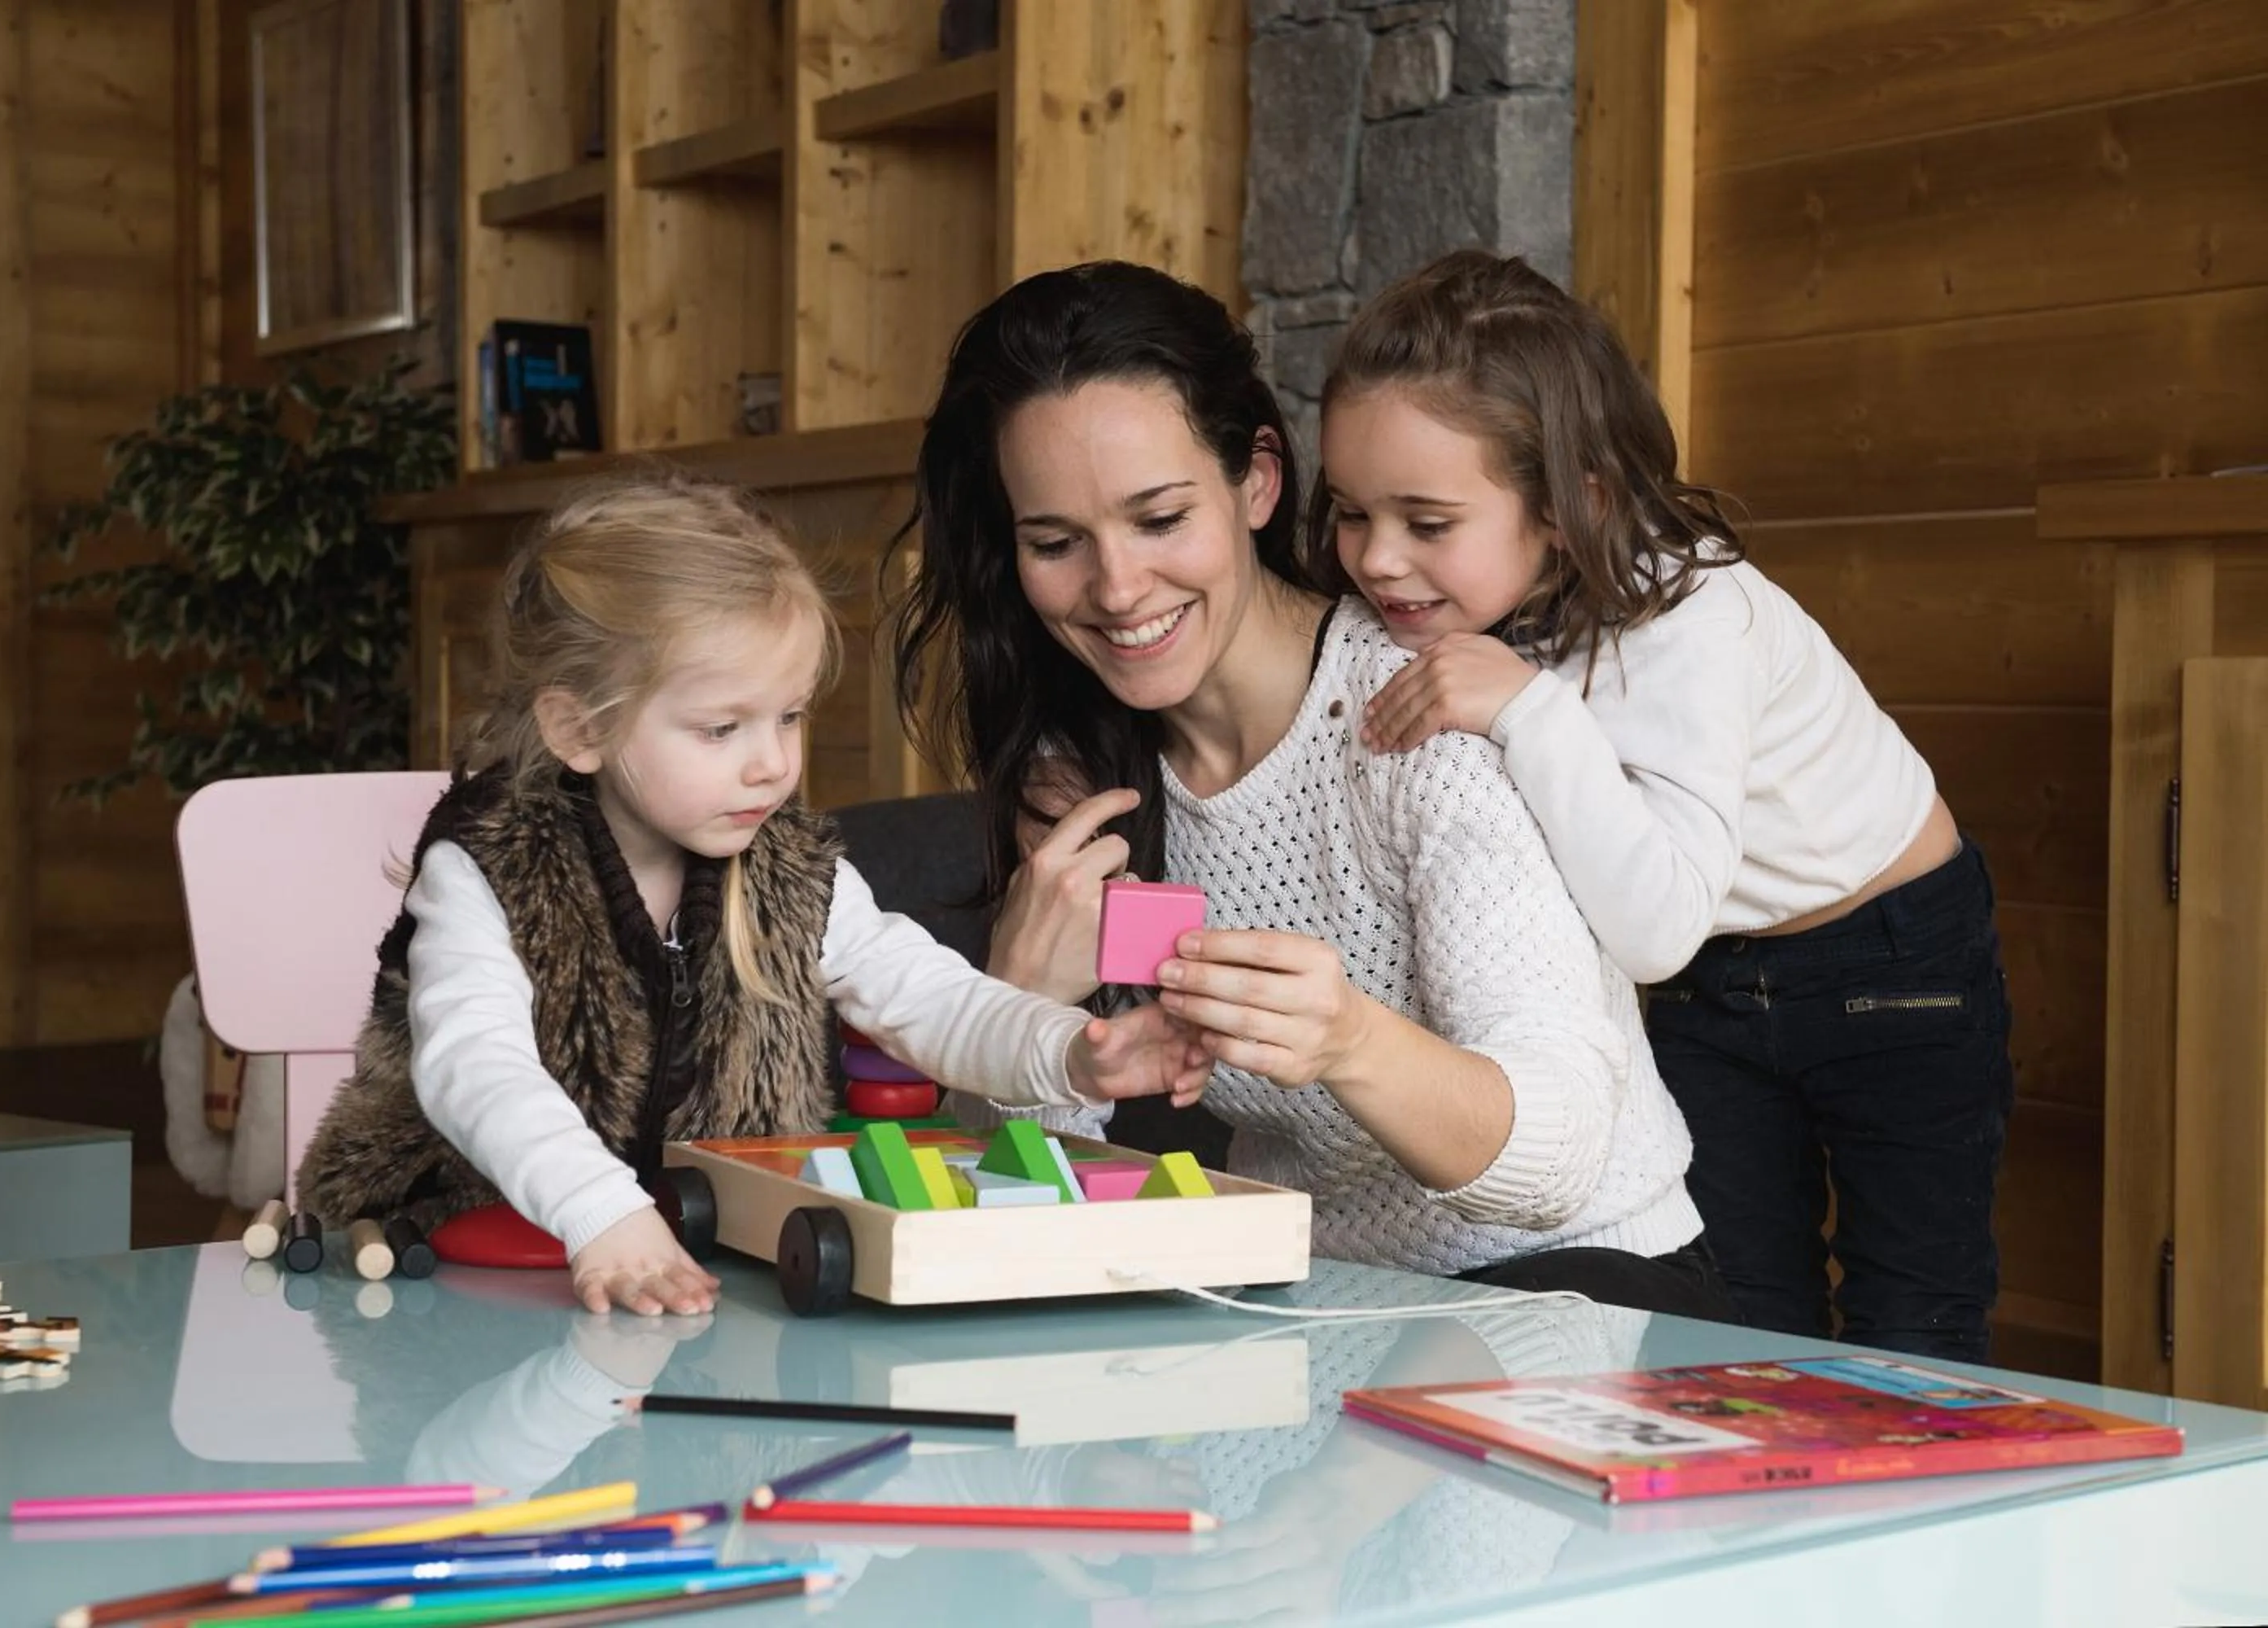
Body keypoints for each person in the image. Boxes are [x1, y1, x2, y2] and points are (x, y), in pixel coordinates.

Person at [889, 260, 1731, 1320]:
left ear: (1257, 481)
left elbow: (1557, 1160)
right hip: (1323, 1298)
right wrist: (1016, 1008)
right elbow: (1018, 1209)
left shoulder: (1423, 724)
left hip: (1579, 1283)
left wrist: (1350, 1040)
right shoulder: (1081, 778)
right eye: (1056, 543)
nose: (1117, 588)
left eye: (1160, 519)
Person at [1318, 250, 2013, 1361]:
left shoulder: (1691, 615)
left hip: (1887, 964)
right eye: (1352, 512)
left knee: (1912, 1323)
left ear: (1575, 504)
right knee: (1741, 1328)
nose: (1378, 560)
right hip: (1712, 984)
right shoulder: (1483, 603)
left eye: (1427, 522)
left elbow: (1653, 926)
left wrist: (1528, 709)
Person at [299, 471, 1211, 1315]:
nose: (772, 763)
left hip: (702, 1260)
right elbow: (474, 1065)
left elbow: (933, 998)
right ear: (580, 728)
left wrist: (1073, 1052)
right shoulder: (486, 866)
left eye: (790, 715)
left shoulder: (793, 868)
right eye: (721, 728)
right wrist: (604, 1213)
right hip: (437, 1260)